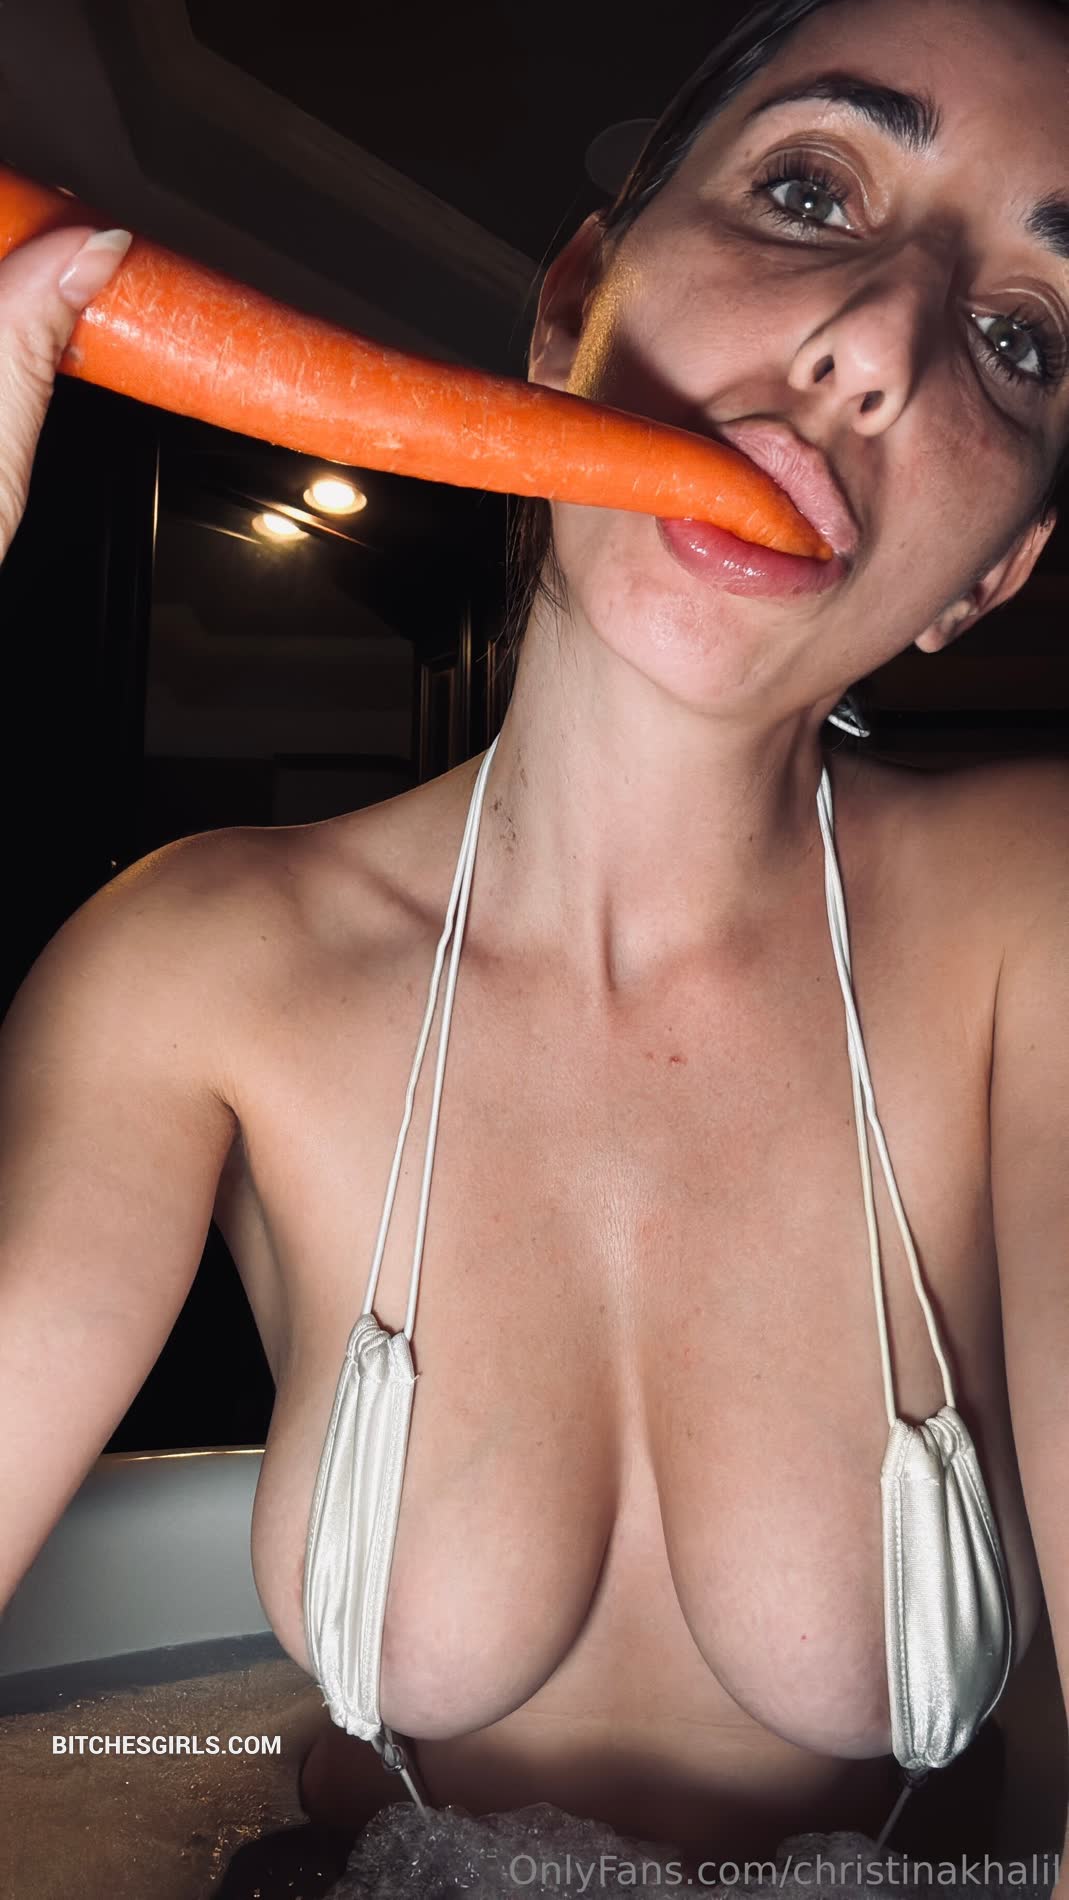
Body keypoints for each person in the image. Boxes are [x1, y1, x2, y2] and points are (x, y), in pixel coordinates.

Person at [1, 0, 1067, 1875]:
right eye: (810, 191)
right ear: (572, 306)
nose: (873, 350)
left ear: (990, 572)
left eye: (1022, 339)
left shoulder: (1036, 912)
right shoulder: (193, 969)